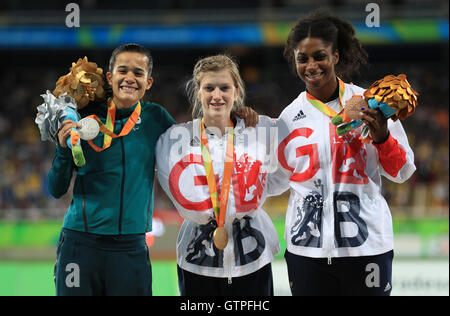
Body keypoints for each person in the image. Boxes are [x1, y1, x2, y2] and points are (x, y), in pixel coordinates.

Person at [277, 11, 416, 296]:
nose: (311, 65)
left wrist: (383, 137)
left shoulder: (371, 104)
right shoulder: (287, 119)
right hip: (307, 252)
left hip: (368, 249)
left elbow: (402, 172)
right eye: (302, 58)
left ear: (336, 56)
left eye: (320, 56)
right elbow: (275, 180)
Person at [156, 54, 288, 296]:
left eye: (224, 87)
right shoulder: (175, 139)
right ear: (197, 92)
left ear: (236, 91)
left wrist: (246, 199)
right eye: (209, 88)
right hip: (197, 259)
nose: (217, 95)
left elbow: (279, 177)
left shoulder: (261, 130)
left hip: (253, 257)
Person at [49, 43, 176, 296]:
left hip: (131, 249)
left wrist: (235, 116)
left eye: (138, 73)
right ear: (110, 77)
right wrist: (63, 148)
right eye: (123, 71)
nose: (130, 78)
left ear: (148, 82)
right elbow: (55, 188)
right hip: (80, 244)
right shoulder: (83, 117)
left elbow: (194, 148)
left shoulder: (157, 118)